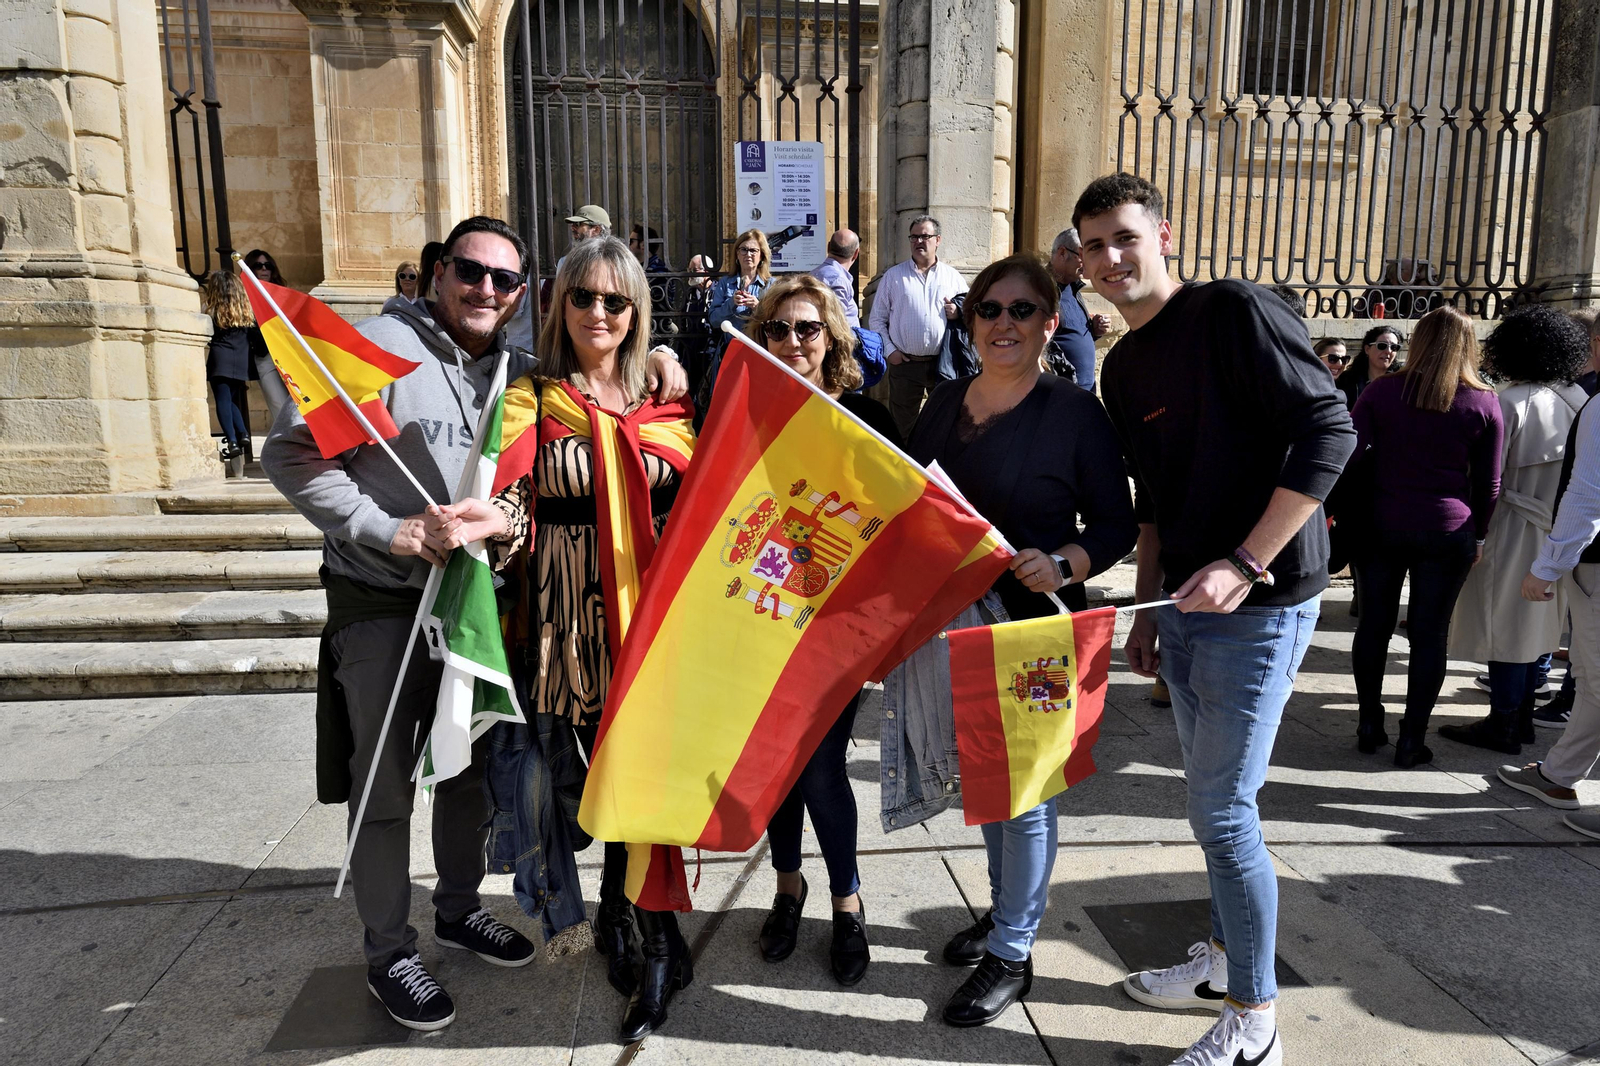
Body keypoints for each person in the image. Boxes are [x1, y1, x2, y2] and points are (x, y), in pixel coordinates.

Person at [262, 216, 688, 1034]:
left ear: (525, 296)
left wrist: (662, 359)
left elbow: (570, 431)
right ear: (436, 272)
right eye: (470, 271)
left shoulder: (521, 374)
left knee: (464, 771)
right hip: (386, 602)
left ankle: (459, 910)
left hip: (479, 610)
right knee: (383, 784)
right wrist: (389, 532)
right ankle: (391, 952)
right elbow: (291, 455)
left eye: (503, 280)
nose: (485, 289)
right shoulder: (371, 347)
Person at [1082, 173, 1354, 1066]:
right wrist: (1148, 608)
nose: (1112, 258)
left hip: (1262, 603)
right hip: (1187, 609)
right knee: (1211, 811)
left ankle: (1254, 1018)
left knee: (1225, 814)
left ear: (1162, 232)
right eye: (1094, 246)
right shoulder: (1121, 365)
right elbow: (1153, 497)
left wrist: (1248, 562)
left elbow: (1330, 431)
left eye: (1124, 236)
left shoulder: (1235, 310)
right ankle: (1222, 959)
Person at [423, 236, 696, 1042]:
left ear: (638, 310)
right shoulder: (532, 397)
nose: (600, 313)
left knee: (649, 770)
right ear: (559, 305)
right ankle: (615, 909)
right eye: (584, 298)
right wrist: (490, 520)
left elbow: (701, 501)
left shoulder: (669, 401)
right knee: (586, 775)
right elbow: (510, 490)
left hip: (652, 619)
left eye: (617, 300)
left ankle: (654, 929)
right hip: (568, 621)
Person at [882, 252, 1137, 1028]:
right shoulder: (945, 400)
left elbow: (1118, 525)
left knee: (1022, 795)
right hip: (951, 624)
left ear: (1050, 321)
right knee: (985, 786)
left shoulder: (1074, 412)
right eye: (988, 309)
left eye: (1022, 310)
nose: (1002, 323)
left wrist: (1064, 560)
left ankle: (1013, 952)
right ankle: (1001, 918)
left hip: (1033, 629)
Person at [739, 274, 889, 988]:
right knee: (776, 763)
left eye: (806, 329)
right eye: (777, 329)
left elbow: (903, 524)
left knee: (822, 767)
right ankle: (787, 887)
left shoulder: (866, 418)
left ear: (831, 340)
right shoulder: (745, 412)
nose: (791, 341)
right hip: (760, 616)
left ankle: (847, 901)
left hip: (836, 628)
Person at [1346, 306, 1502, 764]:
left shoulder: (1381, 391)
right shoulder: (1483, 400)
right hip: (1448, 526)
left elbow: (1351, 455)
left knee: (1374, 624)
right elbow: (1489, 484)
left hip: (1382, 523)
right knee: (1430, 636)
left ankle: (1369, 722)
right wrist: (1480, 535)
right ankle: (1412, 738)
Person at [1441, 307, 1589, 754]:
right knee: (1540, 625)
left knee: (1506, 625)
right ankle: (1520, 716)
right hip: (1560, 528)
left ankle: (1504, 722)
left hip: (1512, 525)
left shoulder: (1509, 401)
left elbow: (1486, 475)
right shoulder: (1579, 399)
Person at [1505, 306, 1600, 840]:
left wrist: (1547, 567)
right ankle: (1558, 773)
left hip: (1592, 563)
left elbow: (1587, 495)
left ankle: (1559, 774)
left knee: (1595, 677)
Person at [868, 214, 969, 438]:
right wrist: (890, 351)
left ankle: (937, 469)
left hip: (944, 364)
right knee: (901, 427)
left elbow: (973, 314)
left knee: (945, 422)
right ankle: (902, 469)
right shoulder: (893, 277)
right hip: (905, 365)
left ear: (938, 240)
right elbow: (877, 319)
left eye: (925, 236)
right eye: (914, 237)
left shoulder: (953, 278)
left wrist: (958, 313)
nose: (919, 242)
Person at [199, 270, 262, 477]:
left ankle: (232, 440)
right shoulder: (246, 311)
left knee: (223, 401)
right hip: (240, 361)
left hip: (220, 359)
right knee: (233, 400)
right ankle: (242, 432)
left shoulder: (211, 309)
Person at [1044, 226, 1110, 392]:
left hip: (1085, 392)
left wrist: (1094, 330)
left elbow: (1070, 334)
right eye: (1081, 255)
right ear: (1062, 253)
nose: (1087, 262)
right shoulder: (1042, 291)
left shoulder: (1074, 288)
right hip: (1061, 393)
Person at [1336, 325, 1403, 408]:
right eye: (1382, 346)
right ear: (1367, 349)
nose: (1388, 351)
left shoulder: (1402, 382)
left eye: (1394, 347)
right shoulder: (1346, 381)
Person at [811, 229, 863, 328]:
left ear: (828, 247)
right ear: (856, 253)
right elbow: (836, 324)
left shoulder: (812, 274)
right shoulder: (839, 281)